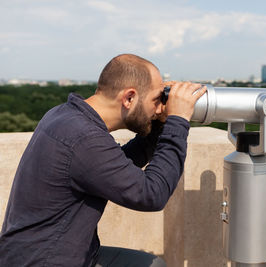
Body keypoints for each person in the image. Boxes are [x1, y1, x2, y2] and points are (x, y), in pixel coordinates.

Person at [0, 54, 207, 266]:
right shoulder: (83, 138)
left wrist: (160, 125)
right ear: (129, 98)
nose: (158, 108)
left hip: (41, 253)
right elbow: (152, 194)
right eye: (156, 100)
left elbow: (115, 167)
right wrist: (178, 121)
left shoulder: (66, 116)